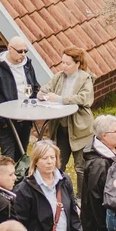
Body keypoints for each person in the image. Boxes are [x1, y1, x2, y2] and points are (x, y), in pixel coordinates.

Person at [12, 140, 89, 231]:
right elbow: (18, 225)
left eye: (52, 157)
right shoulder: (25, 189)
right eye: (44, 158)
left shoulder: (64, 180)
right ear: (35, 161)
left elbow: (72, 215)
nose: (49, 162)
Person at [38, 47, 96, 182]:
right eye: (62, 62)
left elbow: (84, 98)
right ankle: (57, 193)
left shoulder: (85, 78)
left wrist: (60, 99)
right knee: (58, 164)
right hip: (61, 127)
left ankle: (81, 198)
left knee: (80, 166)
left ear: (77, 64)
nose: (64, 66)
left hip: (80, 128)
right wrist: (42, 93)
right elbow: (47, 87)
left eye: (67, 63)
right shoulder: (59, 76)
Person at [0, 36, 40, 160]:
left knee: (22, 157)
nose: (23, 55)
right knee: (8, 160)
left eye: (25, 51)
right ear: (10, 49)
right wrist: (0, 121)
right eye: (20, 51)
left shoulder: (27, 65)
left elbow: (34, 86)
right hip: (7, 122)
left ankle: (20, 179)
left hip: (25, 120)